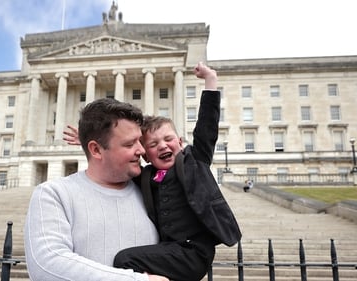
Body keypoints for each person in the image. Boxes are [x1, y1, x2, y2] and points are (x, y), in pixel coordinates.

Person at [64, 62, 242, 281]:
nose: (163, 146)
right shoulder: (146, 177)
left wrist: (210, 81)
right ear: (146, 154)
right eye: (154, 144)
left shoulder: (194, 162)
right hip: (168, 250)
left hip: (193, 251)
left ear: (180, 142)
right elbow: (113, 161)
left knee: (124, 260)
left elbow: (207, 127)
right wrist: (89, 140)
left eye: (168, 140)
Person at [24, 98, 169, 281]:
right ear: (96, 150)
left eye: (140, 141)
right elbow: (47, 266)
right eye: (129, 144)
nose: (141, 150)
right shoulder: (53, 194)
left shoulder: (154, 191)